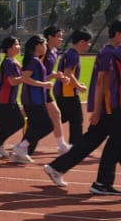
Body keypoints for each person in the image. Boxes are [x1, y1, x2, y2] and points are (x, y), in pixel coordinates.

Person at [44, 19, 121, 194]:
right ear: (117, 34)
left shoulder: (107, 51)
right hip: (109, 107)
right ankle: (102, 182)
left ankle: (58, 167)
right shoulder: (110, 53)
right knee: (114, 143)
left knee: (90, 141)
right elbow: (101, 83)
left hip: (108, 106)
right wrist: (98, 110)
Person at [11, 34, 55, 165]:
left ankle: (22, 153)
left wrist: (52, 78)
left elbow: (34, 77)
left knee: (33, 127)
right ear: (38, 46)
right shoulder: (34, 61)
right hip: (33, 100)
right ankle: (21, 147)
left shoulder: (35, 60)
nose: (46, 47)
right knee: (48, 126)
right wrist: (44, 84)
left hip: (35, 99)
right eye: (44, 44)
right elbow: (25, 78)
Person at [51, 28, 90, 154]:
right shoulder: (73, 55)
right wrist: (79, 86)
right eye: (88, 42)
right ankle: (75, 147)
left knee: (60, 118)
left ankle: (33, 129)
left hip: (63, 91)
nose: (89, 45)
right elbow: (68, 73)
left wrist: (77, 84)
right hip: (67, 93)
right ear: (81, 42)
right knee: (76, 120)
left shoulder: (70, 53)